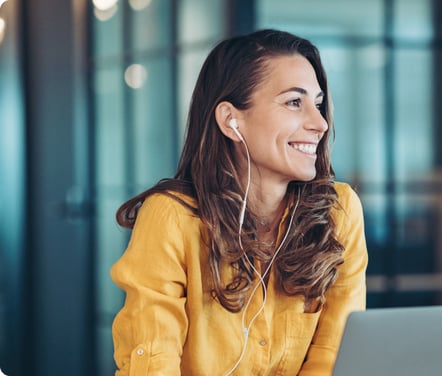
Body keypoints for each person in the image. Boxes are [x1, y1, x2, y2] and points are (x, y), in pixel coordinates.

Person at [111, 29, 368, 376]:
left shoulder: (340, 212)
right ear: (231, 120)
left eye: (318, 104)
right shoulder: (171, 217)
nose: (320, 123)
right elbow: (153, 360)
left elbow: (334, 355)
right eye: (295, 102)